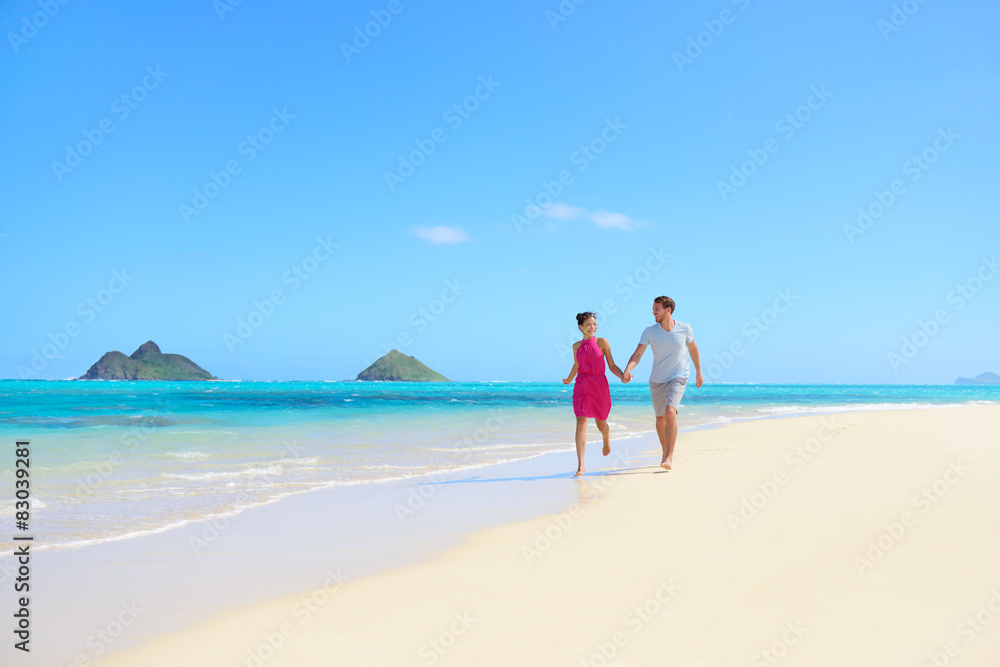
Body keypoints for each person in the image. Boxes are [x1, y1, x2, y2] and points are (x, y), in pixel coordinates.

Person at [622, 296, 702, 471]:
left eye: (657, 308)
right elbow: (637, 354)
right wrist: (628, 369)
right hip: (657, 379)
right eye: (653, 309)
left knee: (670, 413)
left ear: (668, 310)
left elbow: (693, 349)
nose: (654, 312)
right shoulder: (649, 331)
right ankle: (665, 450)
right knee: (660, 418)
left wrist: (698, 372)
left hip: (679, 376)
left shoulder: (685, 329)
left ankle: (669, 456)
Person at [562, 312, 625, 476]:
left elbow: (611, 365)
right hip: (582, 385)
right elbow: (577, 365)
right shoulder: (576, 346)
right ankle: (581, 464)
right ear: (580, 327)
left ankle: (605, 437)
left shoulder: (602, 342)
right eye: (589, 324)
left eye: (595, 324)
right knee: (581, 421)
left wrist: (623, 375)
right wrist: (569, 379)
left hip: (599, 385)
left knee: (600, 423)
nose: (592, 327)